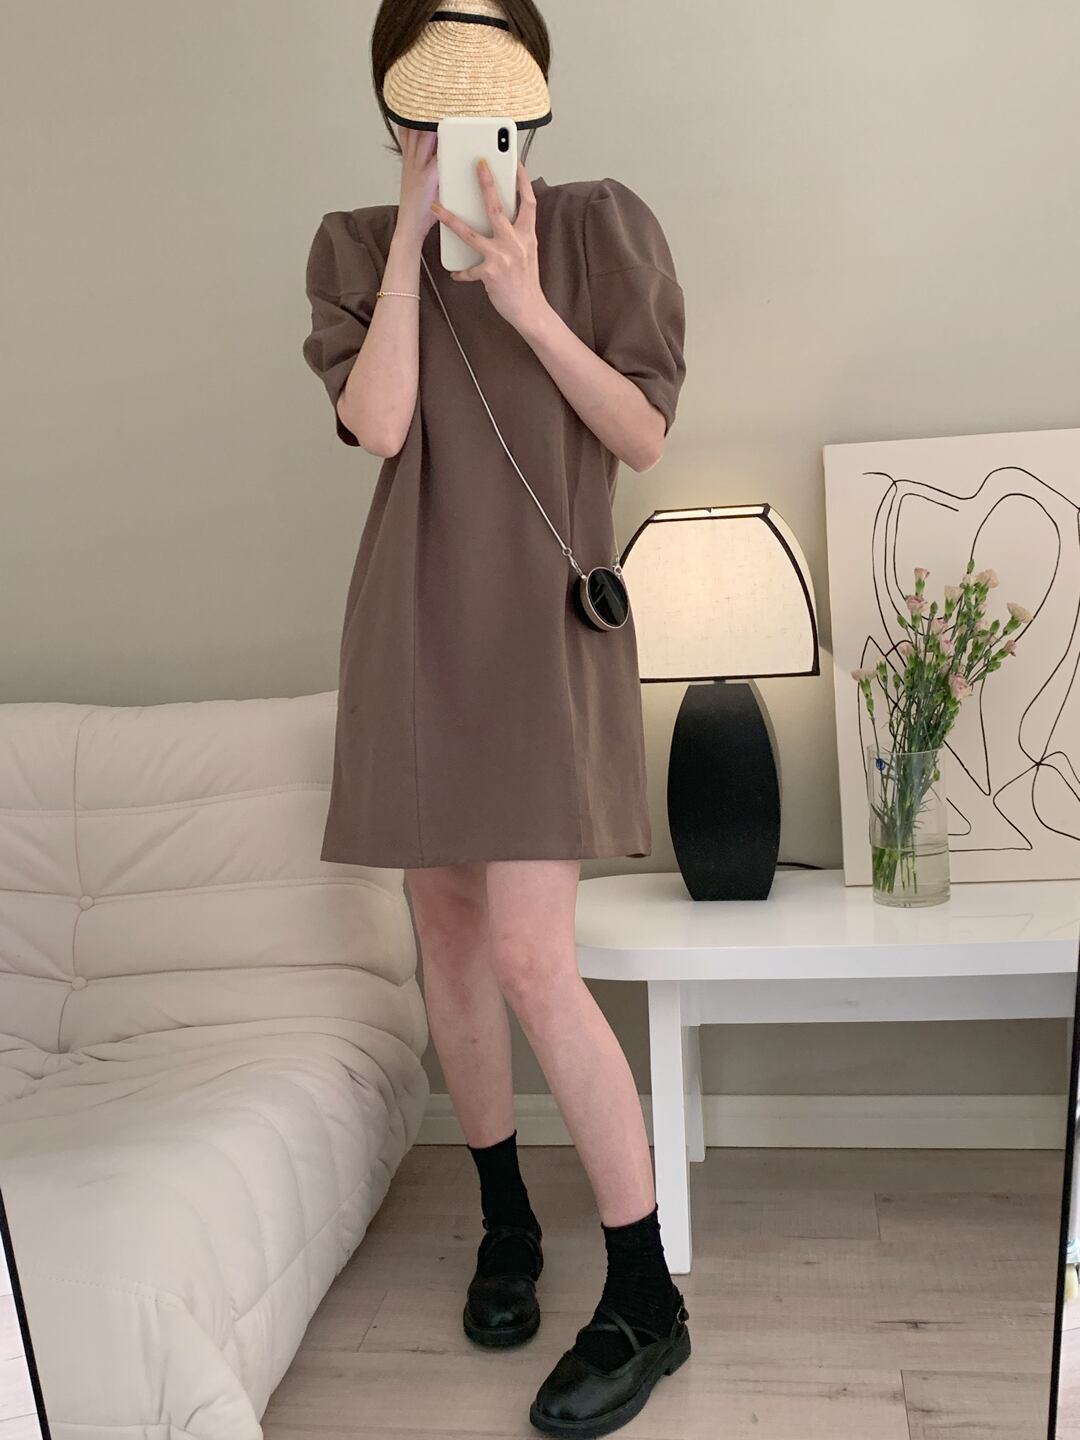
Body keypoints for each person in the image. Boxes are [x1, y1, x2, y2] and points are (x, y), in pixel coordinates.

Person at [302, 1, 688, 1433]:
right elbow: (383, 426)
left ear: (532, 94)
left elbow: (641, 434)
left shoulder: (598, 227)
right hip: (411, 628)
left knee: (533, 955)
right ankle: (508, 1223)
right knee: (452, 942)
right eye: (433, 91)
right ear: (396, 105)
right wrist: (416, 239)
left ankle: (647, 1294)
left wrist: (523, 299)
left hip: (540, 634)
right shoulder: (353, 246)